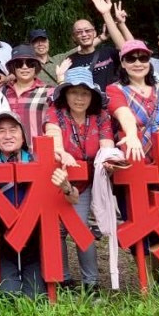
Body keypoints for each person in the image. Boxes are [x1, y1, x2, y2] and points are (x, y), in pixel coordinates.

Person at [0, 110, 77, 297]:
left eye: (13, 130)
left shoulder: (39, 161)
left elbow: (74, 198)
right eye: (1, 131)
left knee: (35, 297)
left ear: (23, 135)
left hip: (34, 240)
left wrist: (66, 187)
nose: (7, 136)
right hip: (1, 240)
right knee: (8, 295)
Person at [43, 67, 115, 289]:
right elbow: (52, 136)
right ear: (65, 93)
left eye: (85, 93)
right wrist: (60, 152)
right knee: (57, 229)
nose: (79, 98)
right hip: (58, 177)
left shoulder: (101, 116)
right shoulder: (55, 113)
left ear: (92, 96)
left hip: (89, 181)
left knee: (79, 227)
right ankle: (62, 278)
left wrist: (110, 159)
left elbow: (107, 146)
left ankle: (91, 282)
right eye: (74, 92)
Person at [106, 39, 159, 164]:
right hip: (132, 162)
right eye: (131, 59)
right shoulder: (114, 90)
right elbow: (125, 115)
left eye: (143, 58)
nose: (138, 63)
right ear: (123, 63)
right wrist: (131, 135)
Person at [52, 0, 129, 90]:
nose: (84, 34)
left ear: (95, 33)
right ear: (74, 37)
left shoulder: (108, 53)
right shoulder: (70, 61)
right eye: (79, 32)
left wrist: (106, 14)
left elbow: (126, 50)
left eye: (87, 30)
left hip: (112, 98)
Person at [0, 45, 53, 138]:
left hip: (37, 146)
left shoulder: (49, 92)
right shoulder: (2, 92)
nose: (25, 67)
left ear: (35, 67)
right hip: (7, 146)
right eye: (19, 64)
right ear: (13, 68)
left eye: (30, 63)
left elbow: (56, 124)